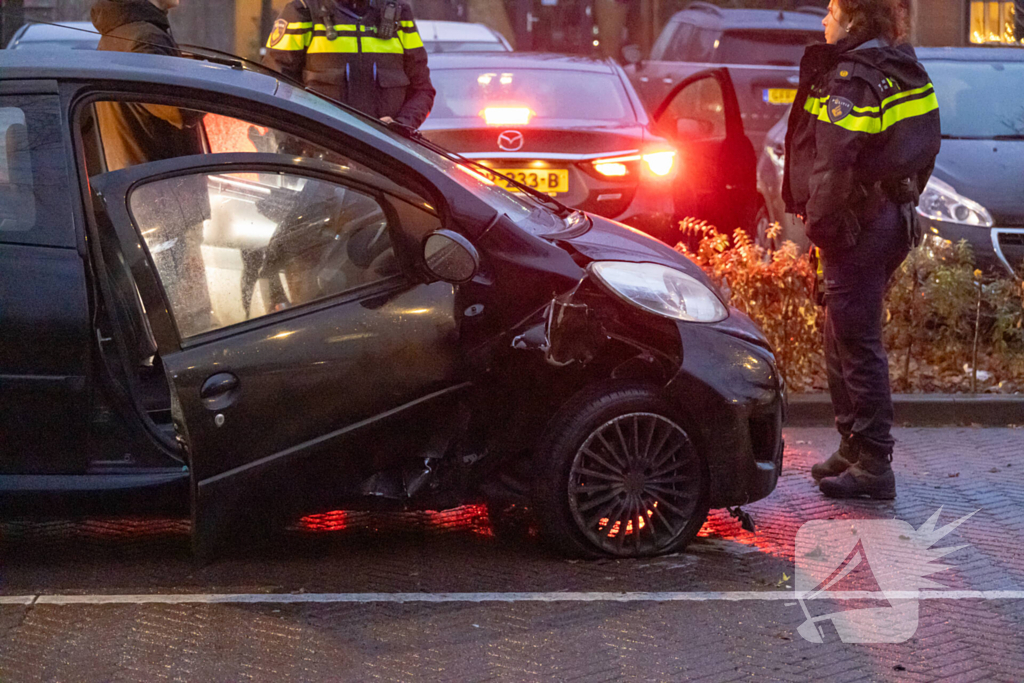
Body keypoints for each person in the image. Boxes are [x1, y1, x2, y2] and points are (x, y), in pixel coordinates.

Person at [782, 0, 940, 499]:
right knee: (842, 329)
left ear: (852, 18)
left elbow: (833, 163)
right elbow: (922, 149)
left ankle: (873, 462)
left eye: (830, 10)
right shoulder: (900, 69)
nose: (823, 21)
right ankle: (854, 444)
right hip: (888, 218)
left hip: (856, 224)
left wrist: (823, 228)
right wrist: (900, 196)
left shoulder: (852, 79)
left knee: (856, 337)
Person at [91, 0, 216, 335]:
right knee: (192, 322)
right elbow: (180, 109)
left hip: (143, 192)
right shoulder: (145, 38)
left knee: (162, 318)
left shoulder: (121, 33)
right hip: (165, 200)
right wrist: (205, 75)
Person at [262, 0, 435, 129]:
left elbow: (422, 90)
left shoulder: (399, 15)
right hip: (320, 160)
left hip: (385, 159)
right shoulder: (302, 12)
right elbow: (273, 88)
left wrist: (400, 126)